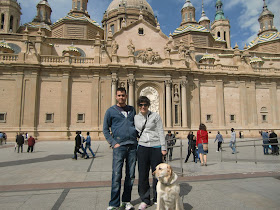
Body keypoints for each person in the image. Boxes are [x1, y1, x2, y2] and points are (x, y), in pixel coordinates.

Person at [103, 87, 138, 210]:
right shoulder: (110, 111)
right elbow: (105, 129)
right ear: (116, 97)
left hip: (132, 146)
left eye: (123, 95)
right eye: (119, 95)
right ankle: (113, 203)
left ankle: (126, 201)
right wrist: (113, 143)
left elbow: (136, 125)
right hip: (119, 147)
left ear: (126, 96)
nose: (121, 97)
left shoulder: (132, 110)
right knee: (117, 175)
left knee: (131, 175)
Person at [134, 96, 167, 210]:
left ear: (148, 105)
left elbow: (160, 131)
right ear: (138, 106)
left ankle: (158, 198)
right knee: (142, 174)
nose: (143, 107)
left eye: (145, 105)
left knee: (158, 174)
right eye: (141, 105)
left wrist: (163, 147)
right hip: (142, 147)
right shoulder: (135, 118)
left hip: (156, 146)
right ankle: (145, 199)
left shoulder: (155, 116)